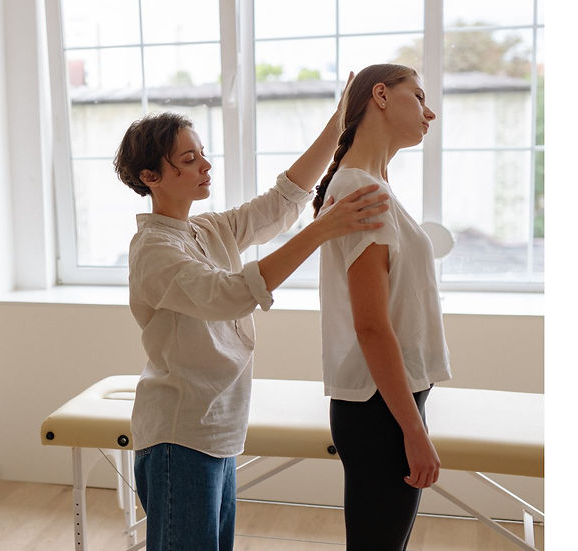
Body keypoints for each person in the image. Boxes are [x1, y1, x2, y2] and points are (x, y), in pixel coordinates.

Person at [113, 77, 390, 551]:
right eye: (188, 159)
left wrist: (339, 122)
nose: (205, 165)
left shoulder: (207, 230)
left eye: (202, 153)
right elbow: (229, 294)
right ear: (150, 177)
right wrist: (322, 229)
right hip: (178, 436)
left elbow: (282, 201)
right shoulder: (153, 251)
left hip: (217, 430)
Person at [313, 63, 452, 550]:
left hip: (389, 401)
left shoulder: (374, 185)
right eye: (418, 95)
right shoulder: (359, 190)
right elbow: (371, 325)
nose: (429, 111)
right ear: (380, 96)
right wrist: (414, 433)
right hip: (380, 409)